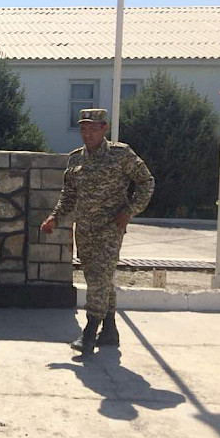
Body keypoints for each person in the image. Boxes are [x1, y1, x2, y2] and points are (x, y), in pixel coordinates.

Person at [40, 108, 154, 355]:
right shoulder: (76, 159)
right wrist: (54, 217)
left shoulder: (120, 154)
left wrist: (130, 210)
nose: (87, 134)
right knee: (101, 279)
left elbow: (147, 182)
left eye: (92, 128)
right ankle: (110, 330)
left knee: (97, 279)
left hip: (110, 229)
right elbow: (69, 195)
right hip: (85, 230)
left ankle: (90, 332)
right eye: (83, 128)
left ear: (104, 129)